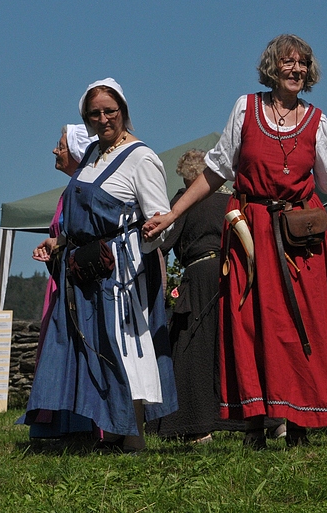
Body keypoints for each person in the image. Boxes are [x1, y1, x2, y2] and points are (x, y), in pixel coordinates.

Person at [142, 34, 327, 448]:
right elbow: (214, 172)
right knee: (253, 327)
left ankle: (299, 425)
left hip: (302, 240)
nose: (296, 69)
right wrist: (173, 214)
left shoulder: (317, 121)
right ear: (272, 67)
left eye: (303, 63)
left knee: (305, 327)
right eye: (288, 62)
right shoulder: (245, 109)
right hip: (253, 235)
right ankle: (254, 426)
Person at [28, 78, 177, 452]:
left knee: (127, 348)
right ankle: (109, 430)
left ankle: (134, 436)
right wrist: (59, 240)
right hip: (86, 269)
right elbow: (83, 219)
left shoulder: (142, 157)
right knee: (93, 348)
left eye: (110, 111)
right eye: (95, 113)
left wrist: (140, 251)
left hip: (123, 275)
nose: (103, 118)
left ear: (123, 112)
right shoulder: (93, 153)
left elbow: (162, 220)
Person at [149, 149, 233, 443]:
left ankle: (194, 425)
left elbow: (165, 240)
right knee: (231, 346)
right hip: (231, 276)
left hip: (199, 278)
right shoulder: (230, 201)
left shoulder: (184, 201)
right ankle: (258, 421)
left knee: (189, 348)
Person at [27, 124, 98, 438]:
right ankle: (57, 423)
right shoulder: (70, 191)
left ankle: (77, 426)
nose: (55, 151)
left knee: (72, 351)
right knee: (60, 351)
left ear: (77, 151)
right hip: (62, 282)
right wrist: (51, 252)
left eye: (61, 145)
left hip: (77, 286)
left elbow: (84, 236)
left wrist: (59, 246)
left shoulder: (83, 190)